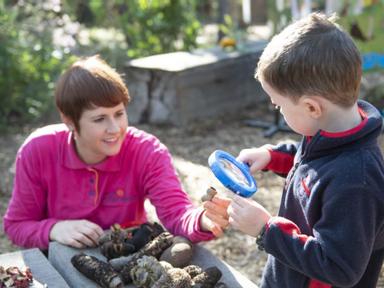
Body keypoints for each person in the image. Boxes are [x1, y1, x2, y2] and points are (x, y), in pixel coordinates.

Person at [205, 13, 384, 288]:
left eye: (278, 105)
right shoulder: (331, 133)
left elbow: (339, 267)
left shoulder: (356, 182)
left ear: (312, 107)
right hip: (289, 274)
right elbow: (313, 166)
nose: (275, 109)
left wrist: (266, 230)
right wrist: (272, 156)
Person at [3, 55, 227, 250]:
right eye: (100, 119)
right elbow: (16, 226)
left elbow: (176, 214)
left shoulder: (147, 151)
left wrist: (203, 220)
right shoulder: (38, 150)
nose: (115, 129)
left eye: (119, 113)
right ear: (69, 121)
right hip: (58, 259)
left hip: (128, 257)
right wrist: (54, 229)